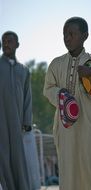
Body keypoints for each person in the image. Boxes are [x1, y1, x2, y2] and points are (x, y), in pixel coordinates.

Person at [43, 16, 91, 190]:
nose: (67, 38)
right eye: (64, 34)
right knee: (68, 171)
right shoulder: (56, 64)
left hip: (89, 128)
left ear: (85, 36)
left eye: (71, 33)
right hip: (65, 128)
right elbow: (47, 89)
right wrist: (61, 94)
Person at [0, 31, 32, 190]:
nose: (6, 44)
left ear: (17, 44)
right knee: (3, 158)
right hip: (0, 122)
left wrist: (27, 121)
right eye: (3, 41)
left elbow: (28, 97)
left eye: (9, 41)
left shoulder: (24, 70)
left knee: (18, 159)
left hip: (17, 122)